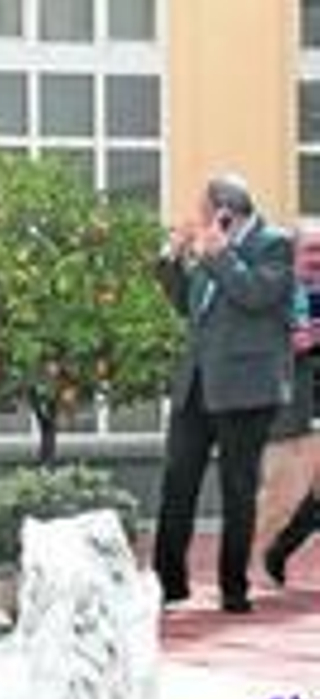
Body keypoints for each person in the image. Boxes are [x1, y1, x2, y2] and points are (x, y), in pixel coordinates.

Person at [153, 174, 293, 614]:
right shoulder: (215, 248)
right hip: (196, 385)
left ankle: (234, 588)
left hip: (246, 390)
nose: (198, 219)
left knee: (237, 490)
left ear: (225, 210)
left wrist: (220, 255)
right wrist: (172, 261)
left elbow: (255, 296)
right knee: (177, 484)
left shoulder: (274, 244)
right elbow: (188, 308)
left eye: (203, 210)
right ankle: (169, 584)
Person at [257, 219, 320, 588]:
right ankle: (250, 562)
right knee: (280, 496)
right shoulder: (273, 293)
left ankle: (274, 554)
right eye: (311, 250)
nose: (318, 259)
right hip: (289, 411)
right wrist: (290, 345)